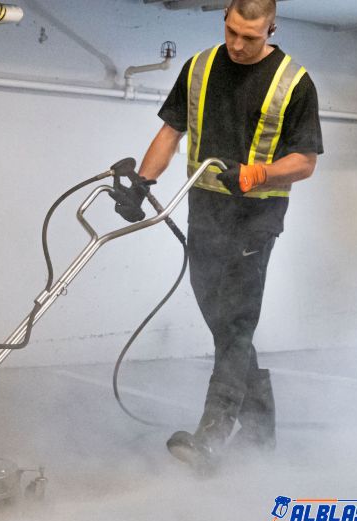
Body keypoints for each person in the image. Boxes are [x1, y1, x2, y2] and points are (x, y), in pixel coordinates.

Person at [136, 0, 323, 473]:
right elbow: (170, 131)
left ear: (272, 28)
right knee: (224, 325)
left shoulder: (294, 82)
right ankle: (261, 432)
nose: (238, 45)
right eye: (232, 32)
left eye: (251, 37)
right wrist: (142, 183)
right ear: (225, 21)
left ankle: (211, 437)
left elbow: (305, 161)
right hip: (205, 213)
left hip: (255, 218)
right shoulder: (198, 67)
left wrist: (256, 174)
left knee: (236, 324)